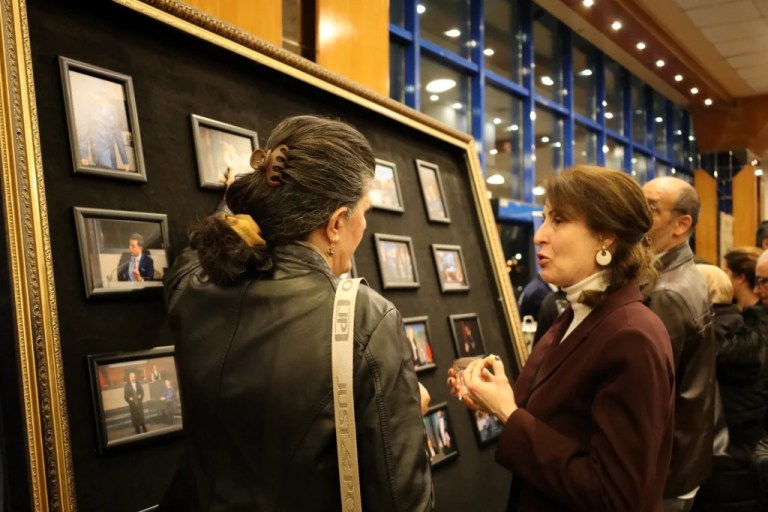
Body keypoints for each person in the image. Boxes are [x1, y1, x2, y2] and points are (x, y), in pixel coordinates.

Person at [159, 116, 432, 511]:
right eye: (364, 211)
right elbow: (403, 501)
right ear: (337, 223)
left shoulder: (195, 290)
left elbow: (187, 262)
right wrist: (404, 416)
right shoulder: (364, 318)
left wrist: (233, 203)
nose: (365, 224)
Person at [448, 165, 675, 511]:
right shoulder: (576, 312)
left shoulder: (632, 335)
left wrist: (508, 412)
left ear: (605, 236)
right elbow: (562, 422)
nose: (539, 235)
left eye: (559, 220)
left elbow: (616, 497)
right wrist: (494, 399)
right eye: (544, 218)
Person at [642, 176, 716, 511]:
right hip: (681, 460)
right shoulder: (681, 272)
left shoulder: (666, 290)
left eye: (650, 209)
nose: (638, 215)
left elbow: (649, 393)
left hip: (665, 471)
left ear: (681, 224)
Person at [691, 264, 768, 512]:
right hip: (750, 458)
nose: (759, 289)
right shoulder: (752, 333)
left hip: (716, 462)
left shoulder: (702, 342)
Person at [76, 78, 131, 171]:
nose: (96, 98)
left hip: (112, 155)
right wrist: (83, 153)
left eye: (99, 95)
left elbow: (118, 136)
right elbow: (83, 133)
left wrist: (125, 160)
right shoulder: (88, 110)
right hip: (99, 154)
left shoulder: (112, 109)